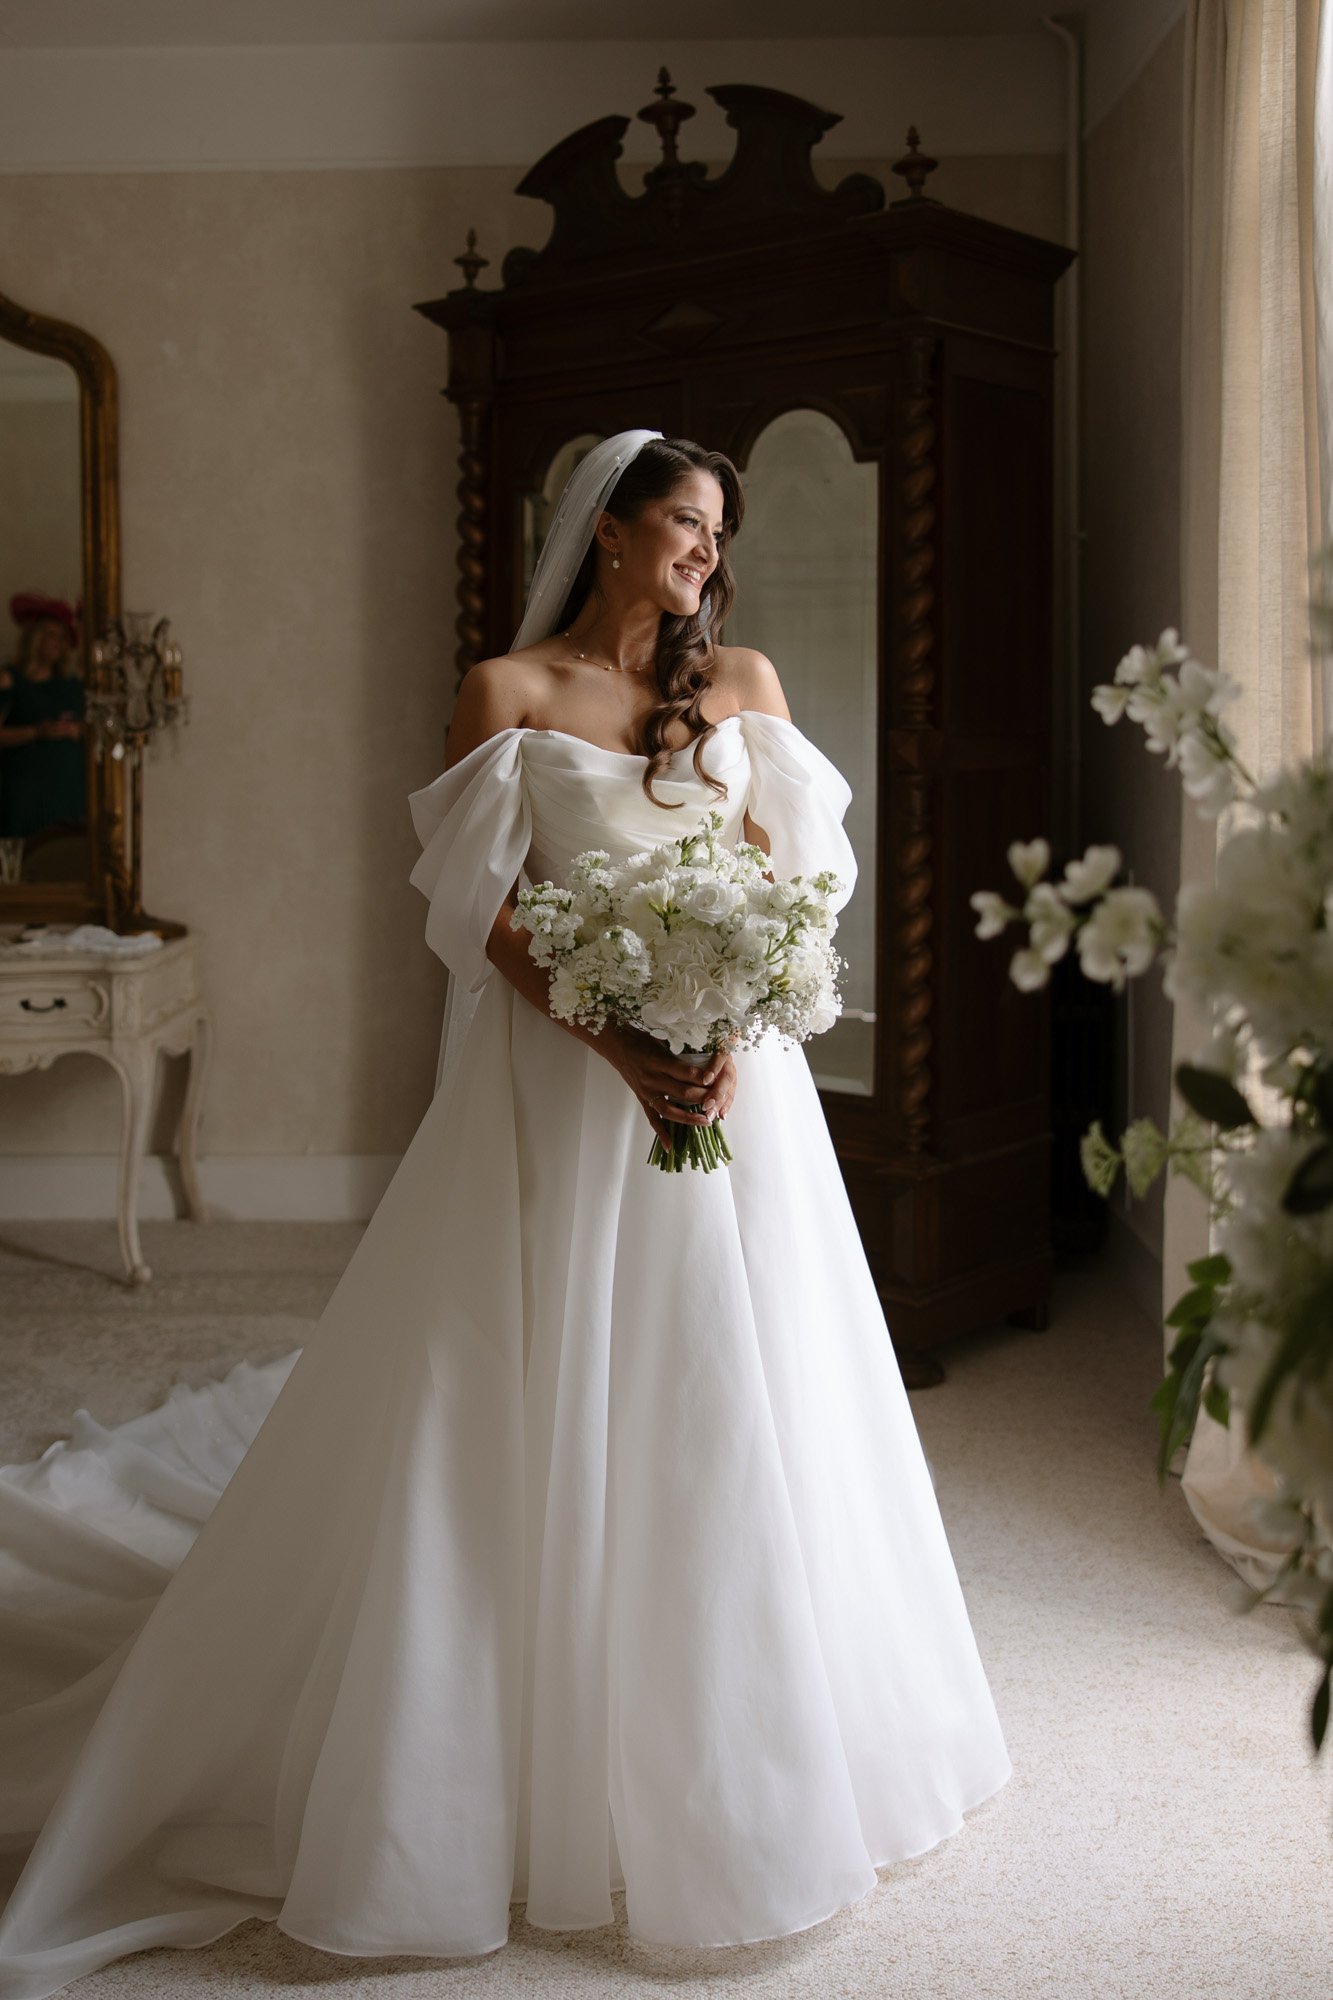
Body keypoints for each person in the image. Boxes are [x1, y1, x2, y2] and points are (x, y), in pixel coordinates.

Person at [0, 432, 1011, 1998]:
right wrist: (622, 1041)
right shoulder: (508, 695)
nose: (702, 553)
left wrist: (725, 1033)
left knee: (746, 1398)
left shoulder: (741, 681)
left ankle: (758, 1755)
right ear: (606, 531)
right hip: (560, 1096)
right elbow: (482, 919)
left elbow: (781, 891)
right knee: (519, 1401)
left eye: (714, 532)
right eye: (681, 522)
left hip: (738, 1105)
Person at [0, 596, 86, 842]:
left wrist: (76, 730)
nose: (57, 644)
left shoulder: (71, 687)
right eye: (51, 635)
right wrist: (37, 732)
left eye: (63, 638)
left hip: (68, 794)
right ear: (35, 637)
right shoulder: (11, 679)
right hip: (26, 792)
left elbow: (96, 731)